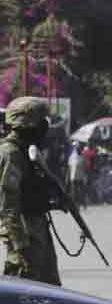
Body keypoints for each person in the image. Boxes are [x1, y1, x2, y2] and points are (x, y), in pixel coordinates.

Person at [0, 97, 61, 286]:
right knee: (26, 293)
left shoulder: (28, 150)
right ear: (28, 125)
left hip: (37, 226)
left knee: (50, 288)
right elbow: (7, 203)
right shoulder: (11, 153)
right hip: (25, 233)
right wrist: (20, 245)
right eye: (41, 121)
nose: (45, 127)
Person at [68, 143, 87, 209]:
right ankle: (76, 205)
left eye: (80, 148)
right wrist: (67, 177)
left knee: (81, 192)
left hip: (81, 177)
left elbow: (85, 167)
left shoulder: (83, 157)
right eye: (78, 148)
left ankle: (84, 204)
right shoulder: (72, 157)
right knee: (74, 192)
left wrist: (85, 176)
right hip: (73, 177)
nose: (79, 149)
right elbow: (69, 168)